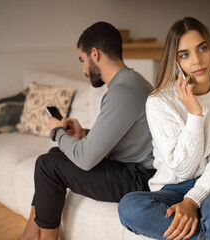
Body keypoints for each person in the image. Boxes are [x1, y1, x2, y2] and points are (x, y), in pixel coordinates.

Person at [19, 21, 155, 240]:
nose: (83, 69)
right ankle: (30, 234)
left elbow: (86, 160)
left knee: (47, 164)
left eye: (82, 60)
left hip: (137, 178)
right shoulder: (132, 82)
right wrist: (83, 134)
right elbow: (123, 135)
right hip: (134, 170)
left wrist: (57, 132)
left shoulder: (121, 92)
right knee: (55, 155)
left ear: (95, 54)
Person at [118, 17, 210, 240]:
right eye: (185, 54)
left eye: (202, 49)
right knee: (129, 206)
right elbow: (183, 169)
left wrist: (192, 201)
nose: (197, 61)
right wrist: (195, 114)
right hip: (173, 186)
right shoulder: (159, 102)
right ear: (175, 62)